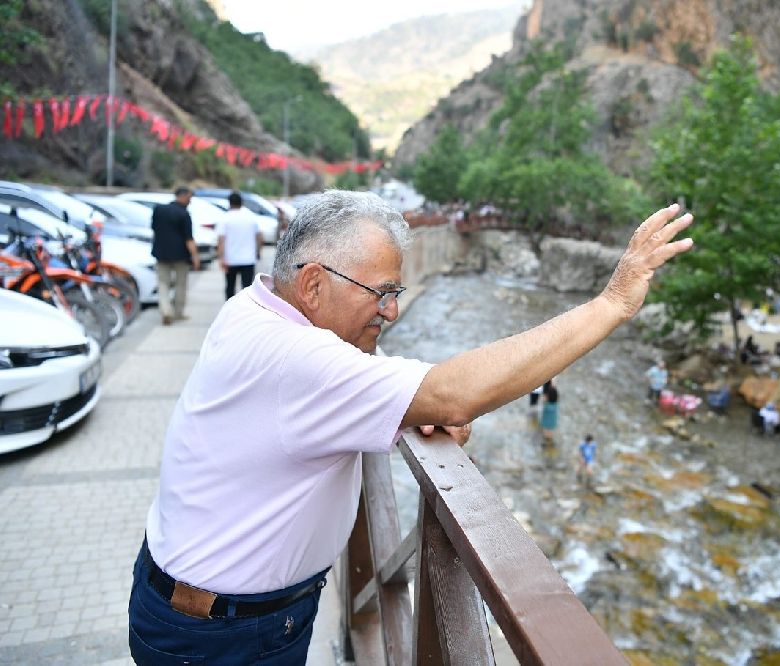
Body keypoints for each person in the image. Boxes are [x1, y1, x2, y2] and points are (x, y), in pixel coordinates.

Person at [127, 192, 694, 663]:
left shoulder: (253, 309)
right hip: (220, 636)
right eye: (383, 292)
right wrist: (614, 301)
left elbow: (400, 393)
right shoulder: (297, 360)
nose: (392, 311)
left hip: (222, 612)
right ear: (315, 285)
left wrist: (405, 410)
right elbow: (455, 393)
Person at [151, 186, 201, 325]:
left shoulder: (159, 210)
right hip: (180, 255)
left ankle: (166, 310)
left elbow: (154, 229)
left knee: (163, 284)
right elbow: (189, 239)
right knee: (181, 284)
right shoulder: (184, 214)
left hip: (161, 253)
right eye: (189, 198)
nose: (190, 201)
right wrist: (195, 257)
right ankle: (178, 312)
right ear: (183, 196)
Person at [217, 191, 263, 300]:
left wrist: (221, 258)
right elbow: (260, 237)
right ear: (242, 203)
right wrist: (258, 251)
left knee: (230, 287)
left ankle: (230, 310)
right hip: (248, 259)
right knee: (247, 288)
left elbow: (221, 240)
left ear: (229, 203)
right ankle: (246, 311)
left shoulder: (225, 218)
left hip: (230, 259)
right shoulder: (251, 217)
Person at [540, 380, 559, 445]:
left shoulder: (546, 405)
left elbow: (543, 401)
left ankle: (546, 439)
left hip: (546, 420)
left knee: (545, 430)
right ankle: (550, 439)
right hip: (552, 420)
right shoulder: (556, 405)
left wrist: (544, 399)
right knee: (550, 430)